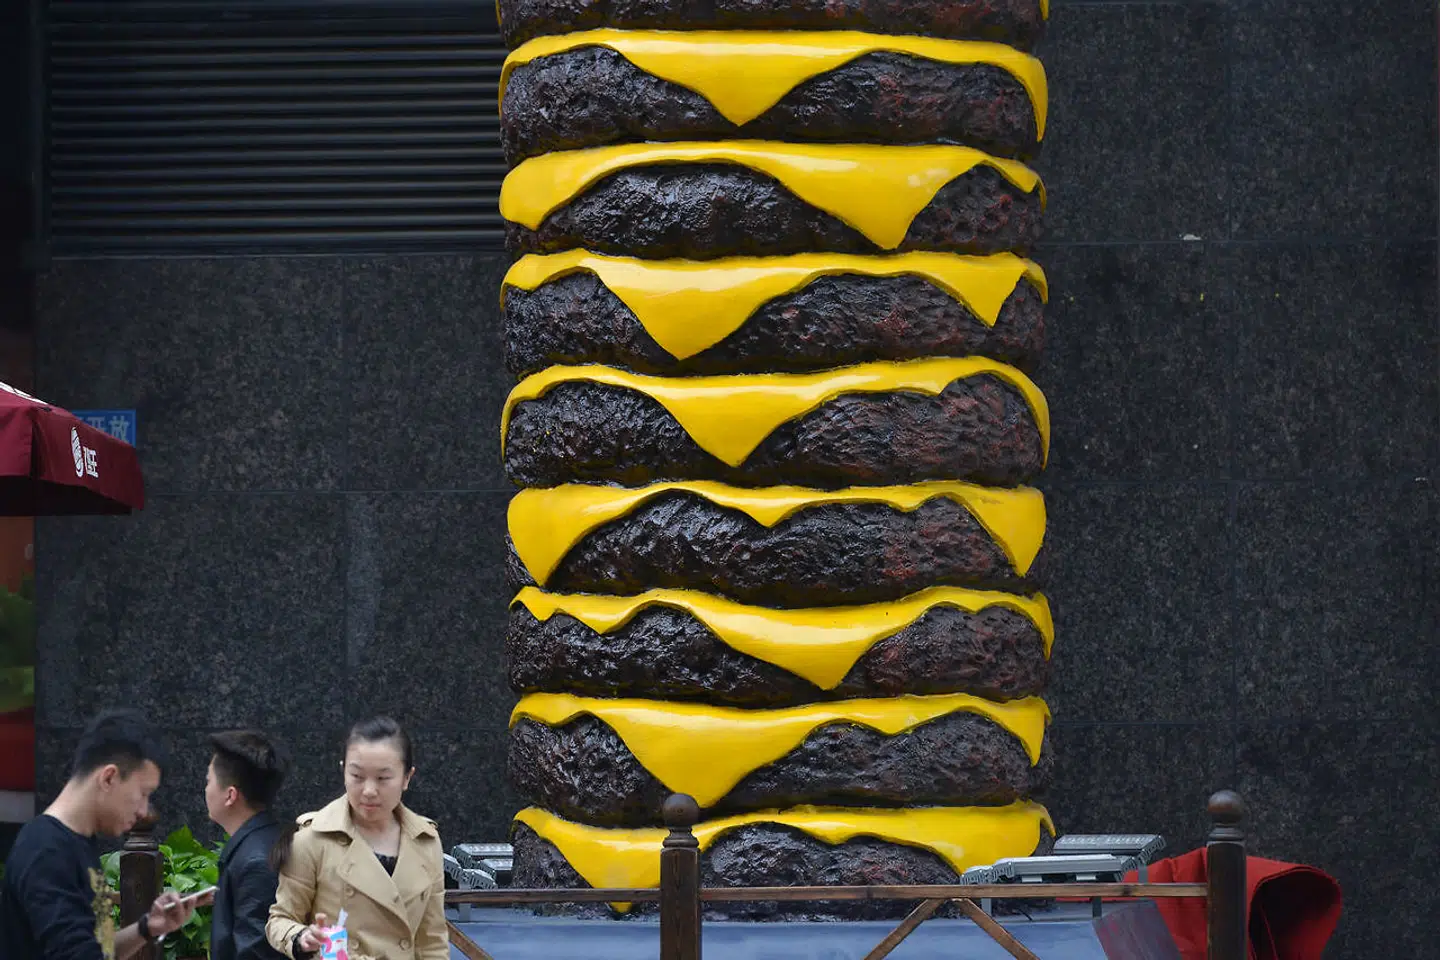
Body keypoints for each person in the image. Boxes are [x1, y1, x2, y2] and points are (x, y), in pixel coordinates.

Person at [0, 709, 199, 960]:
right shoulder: (46, 850)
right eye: (143, 793)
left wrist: (147, 927)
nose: (143, 810)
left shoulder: (77, 842)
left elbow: (97, 948)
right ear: (108, 778)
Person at [265, 717, 446, 960]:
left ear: (407, 778)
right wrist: (301, 937)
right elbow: (280, 919)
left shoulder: (426, 841)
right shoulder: (312, 840)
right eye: (357, 776)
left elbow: (432, 941)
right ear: (343, 771)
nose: (369, 791)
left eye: (383, 778)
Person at [206, 730, 291, 960]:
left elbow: (256, 952)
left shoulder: (256, 861)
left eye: (208, 781)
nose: (205, 789)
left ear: (230, 795)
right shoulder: (260, 844)